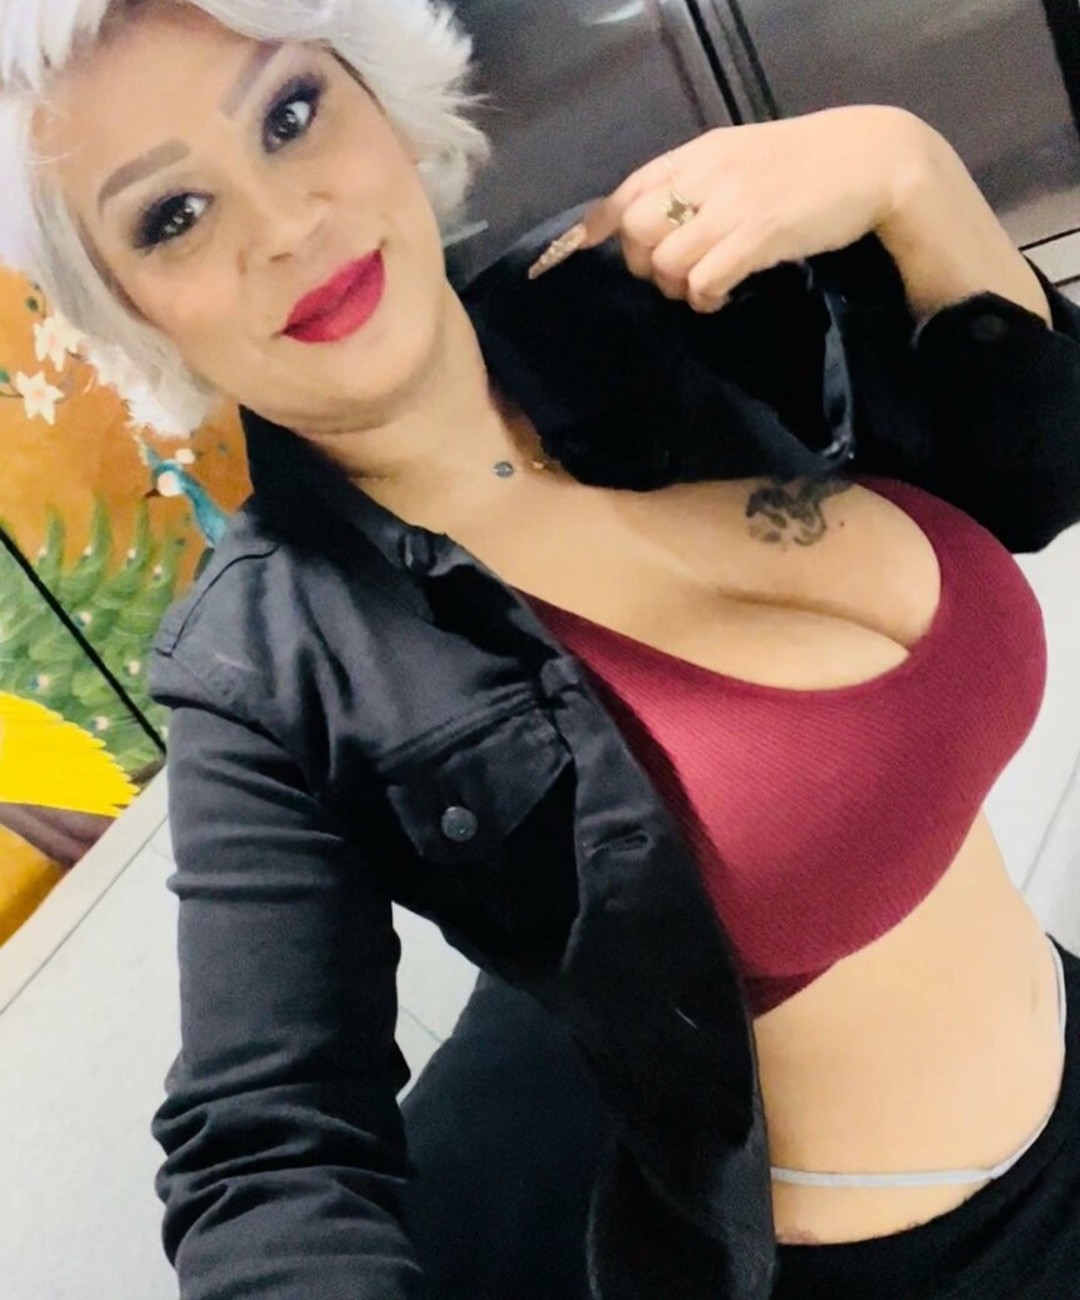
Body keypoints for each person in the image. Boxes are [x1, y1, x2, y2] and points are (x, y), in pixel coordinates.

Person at [4, 1, 1080, 1297]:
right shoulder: (269, 663)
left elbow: (1026, 483)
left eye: (290, 113)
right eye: (173, 216)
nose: (283, 223)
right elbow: (268, 1151)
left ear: (382, 98)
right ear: (133, 311)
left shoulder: (634, 297)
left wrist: (911, 170)